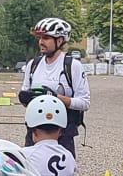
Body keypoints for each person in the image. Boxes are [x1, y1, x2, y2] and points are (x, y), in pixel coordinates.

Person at [18, 17, 90, 155]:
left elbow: (84, 103)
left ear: (60, 40)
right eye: (40, 38)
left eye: (46, 38)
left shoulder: (72, 66)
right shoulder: (33, 65)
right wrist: (26, 98)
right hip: (34, 132)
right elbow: (26, 93)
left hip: (62, 134)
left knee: (61, 174)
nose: (41, 42)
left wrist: (55, 97)